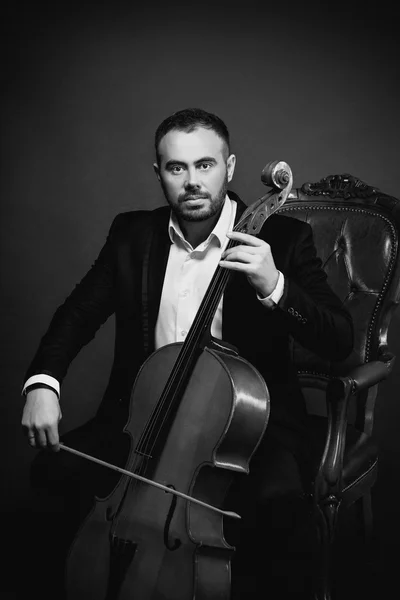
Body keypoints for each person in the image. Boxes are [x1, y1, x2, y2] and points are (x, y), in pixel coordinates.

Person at [21, 107, 353, 599]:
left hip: (247, 430)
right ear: (159, 173)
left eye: (205, 165)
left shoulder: (281, 239)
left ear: (231, 167)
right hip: (141, 421)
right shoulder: (133, 235)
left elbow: (339, 340)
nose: (192, 181)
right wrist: (42, 383)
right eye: (177, 168)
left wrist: (275, 285)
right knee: (52, 473)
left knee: (280, 514)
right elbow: (76, 315)